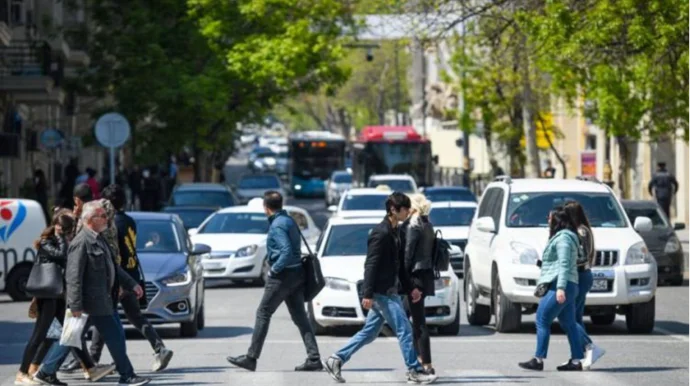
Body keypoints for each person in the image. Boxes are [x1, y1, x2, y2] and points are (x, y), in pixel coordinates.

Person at [323, 192, 438, 384]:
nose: (408, 212)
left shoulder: (395, 232)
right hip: (382, 292)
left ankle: (336, 359)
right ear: (394, 210)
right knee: (405, 330)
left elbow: (400, 265)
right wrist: (367, 293)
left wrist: (411, 288)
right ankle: (414, 370)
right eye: (405, 209)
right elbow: (371, 264)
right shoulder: (381, 232)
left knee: (369, 333)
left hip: (389, 290)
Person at [33, 201, 151, 386]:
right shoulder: (81, 243)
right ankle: (127, 376)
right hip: (90, 302)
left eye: (106, 215)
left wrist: (132, 284)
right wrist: (76, 305)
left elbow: (113, 267)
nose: (106, 219)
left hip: (101, 301)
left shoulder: (98, 238)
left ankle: (46, 372)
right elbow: (73, 277)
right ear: (90, 219)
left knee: (72, 338)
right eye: (102, 216)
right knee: (109, 338)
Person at [227, 191, 322, 372]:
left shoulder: (277, 225)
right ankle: (314, 358)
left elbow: (285, 251)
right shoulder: (288, 220)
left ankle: (251, 358)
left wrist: (274, 270)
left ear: (266, 207)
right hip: (297, 274)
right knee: (301, 318)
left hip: (282, 277)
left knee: (263, 313)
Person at [90, 185, 174, 372]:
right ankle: (159, 348)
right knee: (134, 316)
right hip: (132, 273)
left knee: (104, 315)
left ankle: (93, 358)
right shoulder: (129, 220)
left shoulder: (111, 225)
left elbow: (113, 253)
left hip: (119, 276)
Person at [16, 210, 78, 384]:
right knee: (39, 335)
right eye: (65, 229)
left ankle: (50, 372)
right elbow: (61, 255)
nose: (68, 233)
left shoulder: (61, 241)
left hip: (58, 294)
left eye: (69, 230)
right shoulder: (46, 242)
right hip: (48, 295)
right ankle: (22, 372)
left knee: (69, 332)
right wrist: (60, 237)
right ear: (57, 226)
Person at [519, 207, 583, 371]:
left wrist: (560, 288)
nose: (547, 221)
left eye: (549, 218)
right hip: (569, 284)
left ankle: (538, 360)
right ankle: (576, 361)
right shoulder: (567, 238)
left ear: (557, 220)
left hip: (561, 285)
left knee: (542, 319)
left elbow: (564, 264)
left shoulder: (563, 239)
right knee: (569, 323)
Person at [562, 201, 606, 369]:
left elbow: (581, 256)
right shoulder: (583, 229)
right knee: (576, 317)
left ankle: (589, 347)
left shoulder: (580, 231)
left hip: (580, 275)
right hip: (582, 274)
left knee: (569, 317)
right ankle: (578, 356)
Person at [400, 194, 436, 374]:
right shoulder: (428, 225)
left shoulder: (414, 226)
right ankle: (422, 361)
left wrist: (402, 278)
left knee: (416, 322)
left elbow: (407, 255)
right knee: (413, 320)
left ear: (413, 209)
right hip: (424, 278)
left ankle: (425, 363)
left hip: (414, 279)